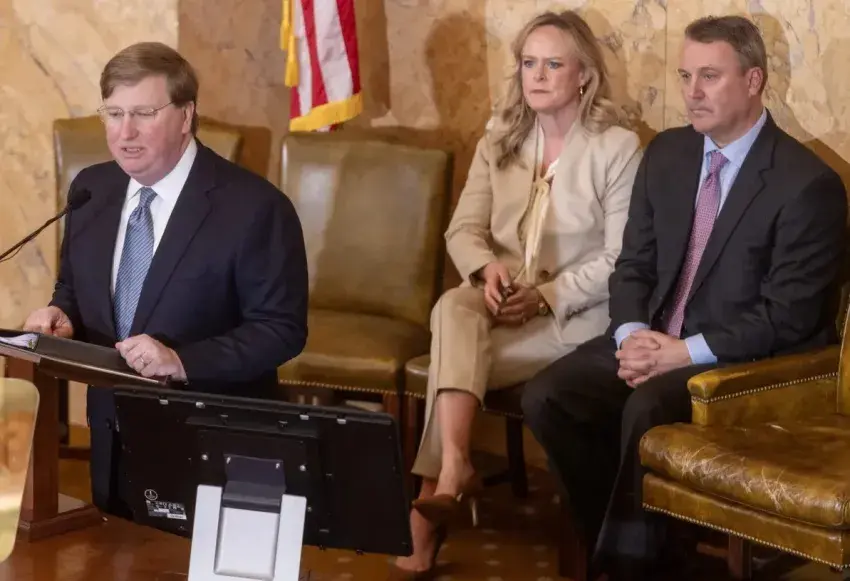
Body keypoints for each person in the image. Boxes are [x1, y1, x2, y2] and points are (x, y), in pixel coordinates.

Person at [522, 15, 848, 580]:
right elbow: (633, 265)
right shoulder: (668, 154)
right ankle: (643, 555)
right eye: (685, 76)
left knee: (647, 407)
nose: (692, 92)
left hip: (741, 362)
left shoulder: (807, 185)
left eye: (709, 77)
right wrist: (630, 336)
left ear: (753, 81)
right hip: (653, 339)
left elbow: (788, 318)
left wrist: (681, 352)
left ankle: (626, 566)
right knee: (549, 394)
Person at [391, 10, 643, 578]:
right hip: (497, 304)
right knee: (452, 305)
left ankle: (429, 511)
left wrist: (547, 295)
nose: (538, 76)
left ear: (584, 74)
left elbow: (620, 258)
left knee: (449, 368)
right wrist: (486, 272)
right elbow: (462, 231)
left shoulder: (618, 147)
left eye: (553, 64)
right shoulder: (499, 138)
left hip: (574, 316)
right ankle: (456, 467)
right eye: (529, 63)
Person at [22, 42, 309, 516]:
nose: (126, 132)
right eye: (114, 114)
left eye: (143, 113)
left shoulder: (255, 207)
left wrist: (181, 361)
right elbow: (73, 287)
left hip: (213, 440)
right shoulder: (92, 189)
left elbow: (281, 330)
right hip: (112, 436)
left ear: (186, 115)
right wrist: (62, 314)